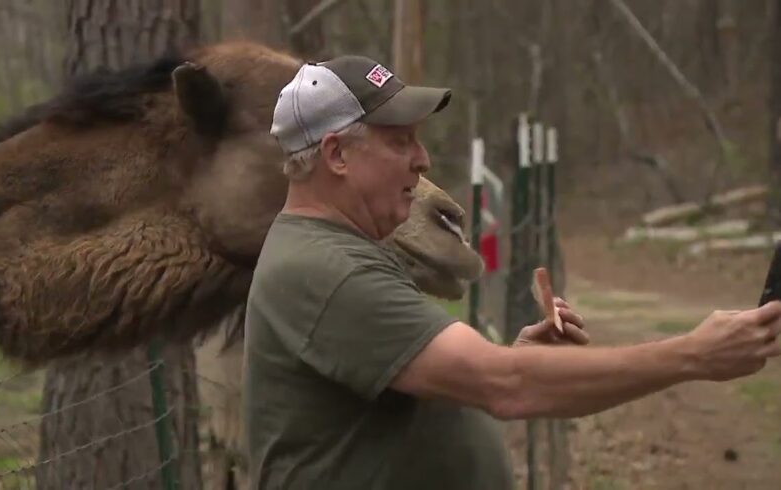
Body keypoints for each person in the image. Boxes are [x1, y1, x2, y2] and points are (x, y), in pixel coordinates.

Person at [241, 55, 781, 490]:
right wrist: (693, 355)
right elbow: (504, 387)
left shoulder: (339, 252)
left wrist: (518, 362)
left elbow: (433, 386)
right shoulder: (326, 270)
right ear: (336, 154)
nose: (422, 159)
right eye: (399, 141)